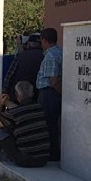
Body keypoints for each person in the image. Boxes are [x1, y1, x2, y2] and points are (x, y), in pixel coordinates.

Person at [0, 80, 51, 174]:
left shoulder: (14, 114)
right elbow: (21, 109)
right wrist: (7, 102)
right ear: (32, 93)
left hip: (26, 159)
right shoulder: (39, 108)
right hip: (43, 159)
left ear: (17, 95)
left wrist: (0, 105)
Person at [36, 27, 63, 161]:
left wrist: (61, 93)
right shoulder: (60, 52)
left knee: (48, 124)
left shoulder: (50, 56)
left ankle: (52, 153)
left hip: (49, 94)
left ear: (45, 40)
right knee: (51, 124)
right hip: (52, 94)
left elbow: (53, 80)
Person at [2, 34, 44, 105]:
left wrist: (4, 91)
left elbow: (10, 75)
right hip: (37, 94)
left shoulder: (20, 56)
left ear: (28, 44)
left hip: (19, 95)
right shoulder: (45, 56)